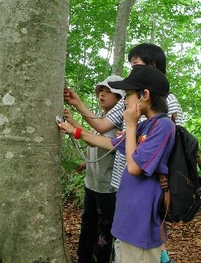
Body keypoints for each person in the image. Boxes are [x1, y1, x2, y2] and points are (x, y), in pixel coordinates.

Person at [64, 43, 183, 263]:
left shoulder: (162, 124)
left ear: (144, 95)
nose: (124, 100)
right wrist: (75, 130)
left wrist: (129, 126)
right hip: (127, 216)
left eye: (127, 95)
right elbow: (110, 142)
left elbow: (135, 167)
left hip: (141, 217)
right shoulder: (140, 125)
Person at [65, 75, 125, 263]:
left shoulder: (117, 125)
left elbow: (103, 143)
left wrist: (74, 121)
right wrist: (85, 163)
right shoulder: (100, 118)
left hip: (107, 188)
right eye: (101, 91)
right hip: (91, 183)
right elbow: (93, 142)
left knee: (104, 228)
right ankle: (84, 258)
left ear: (120, 99)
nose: (102, 95)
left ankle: (101, 259)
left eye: (109, 92)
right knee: (88, 223)